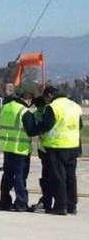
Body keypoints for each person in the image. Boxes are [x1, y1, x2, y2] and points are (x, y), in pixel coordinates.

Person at [32, 87, 82, 215]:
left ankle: (60, 206)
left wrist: (34, 130)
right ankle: (72, 206)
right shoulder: (75, 106)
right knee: (71, 177)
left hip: (57, 146)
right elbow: (80, 125)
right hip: (73, 145)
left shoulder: (53, 107)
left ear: (50, 95)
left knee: (58, 177)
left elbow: (47, 125)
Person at [0, 89, 35, 211]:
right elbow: (31, 130)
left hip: (7, 147)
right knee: (20, 176)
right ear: (28, 100)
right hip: (20, 148)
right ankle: (21, 203)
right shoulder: (24, 111)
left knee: (7, 175)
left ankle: (4, 202)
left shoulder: (4, 108)